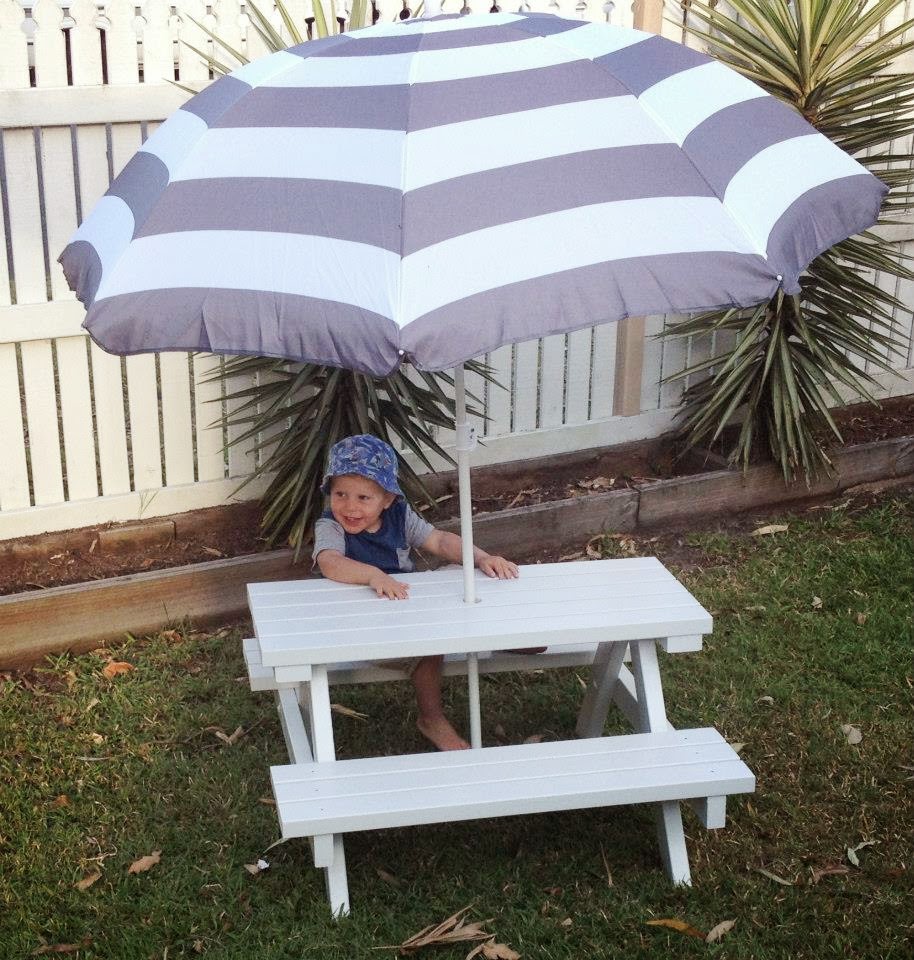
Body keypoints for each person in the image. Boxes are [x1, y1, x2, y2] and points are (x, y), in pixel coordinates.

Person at [312, 434, 519, 752]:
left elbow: (439, 542)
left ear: (387, 499)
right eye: (340, 494)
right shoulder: (331, 525)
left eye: (363, 498)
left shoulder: (399, 515)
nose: (350, 507)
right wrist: (371, 575)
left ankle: (507, 634)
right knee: (429, 648)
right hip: (361, 625)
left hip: (405, 606)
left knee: (463, 580)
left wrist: (481, 557)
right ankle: (431, 719)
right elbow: (330, 563)